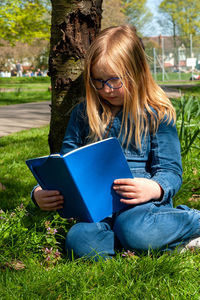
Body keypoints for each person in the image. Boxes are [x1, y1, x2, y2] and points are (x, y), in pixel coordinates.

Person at [31, 25, 200, 260]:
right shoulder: (83, 114)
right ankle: (147, 245)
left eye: (114, 81)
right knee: (78, 242)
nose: (106, 89)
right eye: (98, 82)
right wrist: (40, 192)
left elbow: (171, 171)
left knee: (134, 228)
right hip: (99, 212)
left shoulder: (156, 114)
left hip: (142, 209)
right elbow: (65, 166)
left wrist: (154, 188)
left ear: (137, 72)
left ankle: (192, 222)